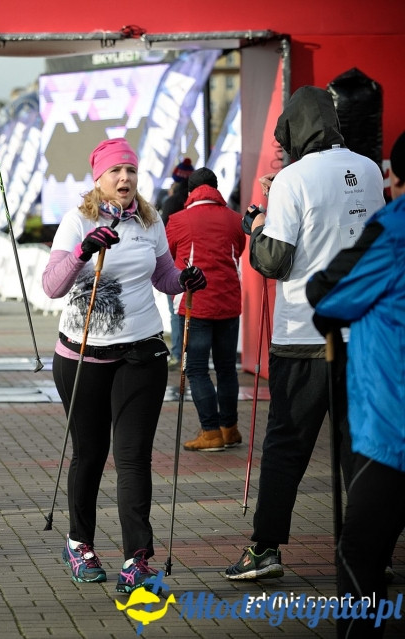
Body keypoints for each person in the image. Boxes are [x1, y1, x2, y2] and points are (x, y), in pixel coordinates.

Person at [222, 86, 386, 581]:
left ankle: (265, 549)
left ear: (294, 130)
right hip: (361, 332)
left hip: (303, 334)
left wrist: (257, 224)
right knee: (358, 447)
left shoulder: (292, 179)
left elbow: (274, 260)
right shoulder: (370, 169)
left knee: (286, 446)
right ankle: (370, 554)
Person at [41, 138, 206, 592]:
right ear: (99, 178)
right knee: (90, 453)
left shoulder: (150, 222)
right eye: (115, 171)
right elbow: (52, 287)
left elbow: (163, 276)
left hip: (140, 352)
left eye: (131, 170)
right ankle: (79, 543)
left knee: (133, 457)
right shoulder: (77, 221)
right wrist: (82, 252)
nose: (125, 178)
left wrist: (184, 280)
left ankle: (138, 559)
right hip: (83, 356)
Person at [305, 131, 405, 639]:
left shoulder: (393, 228)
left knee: (359, 554)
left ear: (396, 179)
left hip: (392, 430)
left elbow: (329, 293)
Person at [166, 167, 246, 451]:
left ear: (190, 192)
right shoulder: (235, 219)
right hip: (229, 302)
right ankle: (230, 429)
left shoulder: (178, 220)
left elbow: (171, 255)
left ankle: (211, 433)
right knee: (227, 369)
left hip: (195, 303)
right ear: (216, 189)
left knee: (197, 369)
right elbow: (238, 250)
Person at [160, 178, 190, 365]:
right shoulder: (195, 208)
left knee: (176, 311)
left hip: (174, 265)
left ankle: (178, 354)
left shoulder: (171, 204)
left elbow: (164, 236)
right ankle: (186, 354)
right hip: (194, 264)